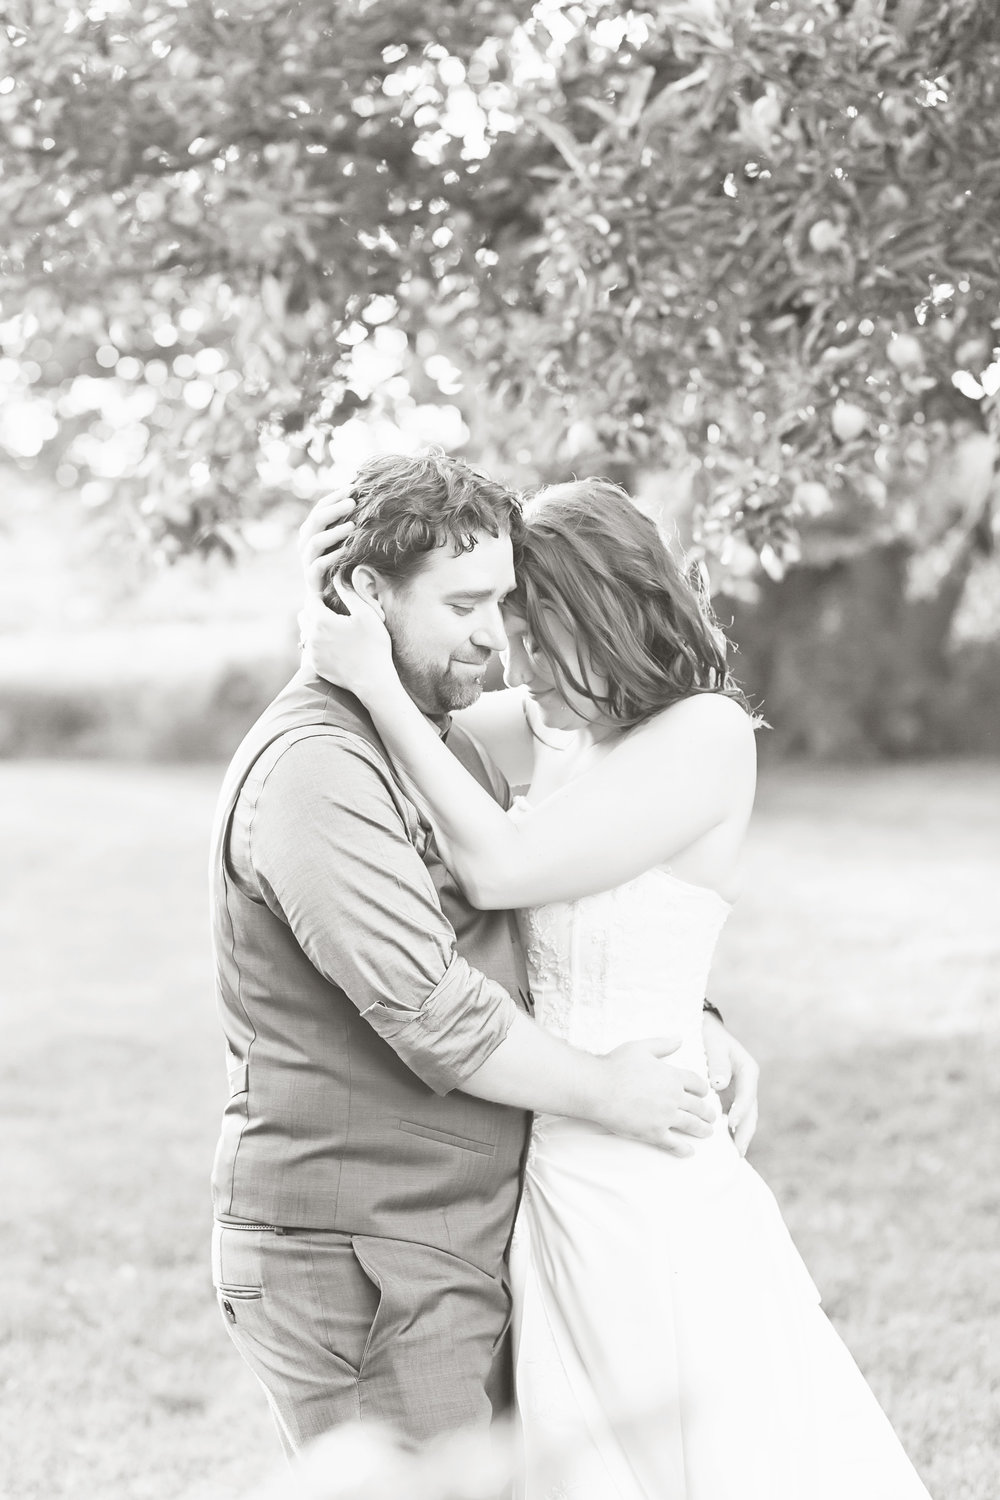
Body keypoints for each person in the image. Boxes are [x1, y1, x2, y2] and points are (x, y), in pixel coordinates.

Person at [299, 473, 934, 1499]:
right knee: (592, 1454)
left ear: (613, 611)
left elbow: (500, 867)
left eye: (545, 634)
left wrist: (375, 686)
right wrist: (337, 589)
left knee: (713, 1442)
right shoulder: (551, 732)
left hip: (657, 1169)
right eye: (511, 631)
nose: (522, 663)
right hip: (557, 1168)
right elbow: (400, 722)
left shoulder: (707, 733)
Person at [208, 454, 758, 1459]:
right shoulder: (321, 771)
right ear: (366, 600)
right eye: (468, 603)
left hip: (470, 1229)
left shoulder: (442, 742)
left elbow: (565, 910)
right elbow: (433, 1007)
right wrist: (604, 1089)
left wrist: (692, 1018)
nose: (500, 643)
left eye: (505, 604)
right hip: (359, 1247)